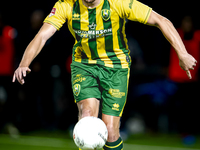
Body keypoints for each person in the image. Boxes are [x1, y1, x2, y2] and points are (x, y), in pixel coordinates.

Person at [12, 0, 197, 149]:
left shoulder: (118, 3)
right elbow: (42, 36)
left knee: (110, 132)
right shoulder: (66, 5)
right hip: (84, 65)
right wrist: (23, 64)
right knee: (87, 117)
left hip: (116, 68)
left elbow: (161, 20)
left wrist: (182, 53)